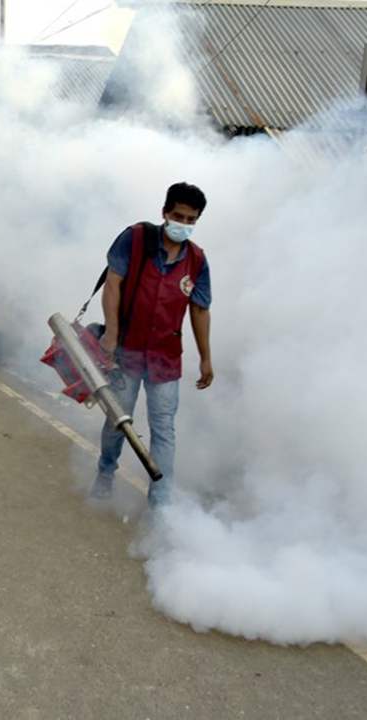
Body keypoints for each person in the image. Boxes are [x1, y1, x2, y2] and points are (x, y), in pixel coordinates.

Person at [90, 182, 213, 509]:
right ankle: (105, 470)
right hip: (126, 353)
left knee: (164, 432)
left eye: (190, 219)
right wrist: (111, 334)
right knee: (118, 422)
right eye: (177, 216)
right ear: (164, 213)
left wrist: (206, 358)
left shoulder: (197, 261)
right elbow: (113, 284)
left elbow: (200, 309)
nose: (183, 224)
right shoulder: (136, 239)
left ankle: (160, 504)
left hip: (165, 359)